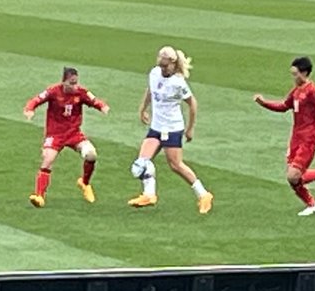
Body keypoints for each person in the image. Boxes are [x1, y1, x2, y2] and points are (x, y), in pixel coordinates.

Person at [128, 46, 214, 214]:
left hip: (172, 128)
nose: (162, 69)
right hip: (156, 127)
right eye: (161, 65)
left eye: (165, 66)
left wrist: (190, 129)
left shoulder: (178, 83)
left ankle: (204, 195)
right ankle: (149, 195)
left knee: (175, 165)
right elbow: (151, 90)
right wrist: (142, 108)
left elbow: (192, 104)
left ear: (173, 64)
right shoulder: (154, 73)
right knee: (141, 164)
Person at [254, 57, 315, 216]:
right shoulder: (296, 91)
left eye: (295, 74)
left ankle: (314, 196)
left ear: (304, 73)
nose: (293, 77)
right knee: (293, 177)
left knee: (293, 176)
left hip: (308, 140)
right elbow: (284, 106)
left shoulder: (313, 90)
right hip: (295, 139)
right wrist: (264, 103)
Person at [23, 67, 110, 207]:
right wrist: (29, 109)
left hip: (73, 133)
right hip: (55, 134)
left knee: (91, 155)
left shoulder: (81, 92)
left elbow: (94, 101)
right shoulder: (53, 91)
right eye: (72, 83)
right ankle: (39, 196)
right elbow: (36, 100)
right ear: (64, 82)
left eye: (76, 82)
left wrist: (102, 107)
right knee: (47, 159)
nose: (75, 86)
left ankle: (84, 183)